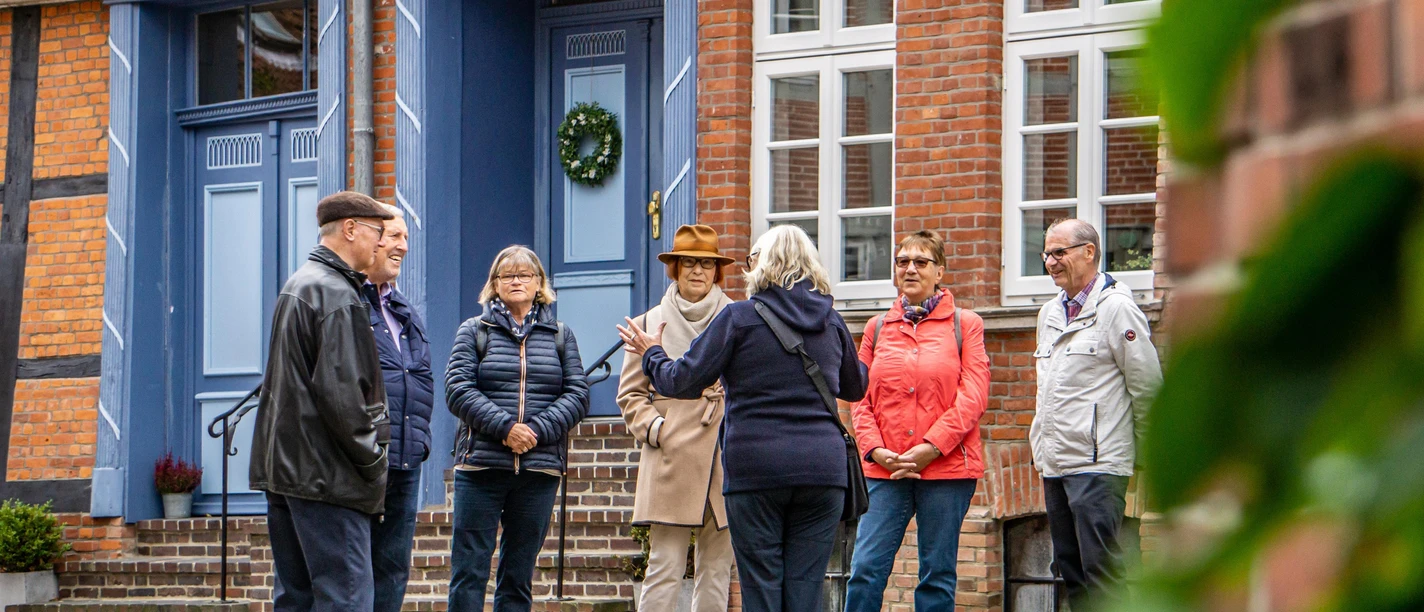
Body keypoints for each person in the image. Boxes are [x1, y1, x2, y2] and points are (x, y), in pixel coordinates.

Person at [618, 224, 868, 612]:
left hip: (756, 470)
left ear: (761, 265)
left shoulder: (738, 317)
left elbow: (681, 380)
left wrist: (652, 353)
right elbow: (855, 387)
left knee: (762, 586)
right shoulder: (831, 320)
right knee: (806, 587)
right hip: (822, 471)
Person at [249, 191, 395, 612]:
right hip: (329, 476)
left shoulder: (300, 283)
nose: (383, 242)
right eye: (378, 232)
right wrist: (373, 463)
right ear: (351, 229)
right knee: (345, 599)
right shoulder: (336, 293)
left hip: (291, 472)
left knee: (296, 599)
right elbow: (344, 397)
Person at [844, 230, 991, 612]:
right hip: (885, 472)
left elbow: (973, 395)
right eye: (902, 261)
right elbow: (858, 397)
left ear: (939, 271)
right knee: (865, 569)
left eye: (921, 262)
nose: (910, 268)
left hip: (946, 471)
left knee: (936, 574)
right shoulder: (877, 328)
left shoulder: (965, 324)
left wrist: (931, 447)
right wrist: (875, 450)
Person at [444, 245, 590, 612]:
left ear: (539, 283)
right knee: (468, 573)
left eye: (525, 275)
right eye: (507, 275)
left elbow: (577, 394)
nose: (516, 281)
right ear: (494, 284)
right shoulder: (474, 331)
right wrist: (506, 428)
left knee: (518, 576)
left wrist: (536, 431)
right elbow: (458, 390)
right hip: (481, 467)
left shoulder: (560, 335)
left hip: (538, 471)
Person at [1030, 218, 1162, 610]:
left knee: (1102, 572)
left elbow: (1147, 386)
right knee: (1070, 570)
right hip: (1056, 464)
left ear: (1089, 252)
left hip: (1099, 465)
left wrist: (1144, 457)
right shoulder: (1049, 313)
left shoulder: (1117, 309)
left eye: (1059, 253)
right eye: (1046, 254)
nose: (1050, 262)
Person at [616, 225, 736, 612]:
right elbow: (630, 395)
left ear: (717, 271)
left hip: (724, 453)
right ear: (675, 268)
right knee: (664, 566)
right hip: (670, 458)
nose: (697, 271)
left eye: (705, 263)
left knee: (717, 568)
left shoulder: (738, 317)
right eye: (688, 263)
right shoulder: (650, 322)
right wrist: (657, 430)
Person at [358, 206, 435, 612]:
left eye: (407, 237)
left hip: (405, 459)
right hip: (362, 459)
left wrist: (420, 440)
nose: (404, 247)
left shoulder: (405, 310)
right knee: (355, 571)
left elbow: (423, 377)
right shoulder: (348, 302)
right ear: (369, 238)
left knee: (392, 568)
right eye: (395, 236)